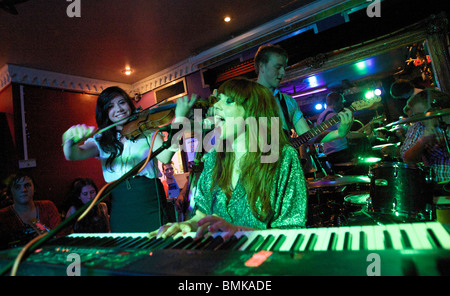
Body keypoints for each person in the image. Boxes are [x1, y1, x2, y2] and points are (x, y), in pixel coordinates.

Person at [149, 77, 308, 240]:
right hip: (219, 257)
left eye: (229, 101)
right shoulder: (212, 158)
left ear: (252, 111)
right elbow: (201, 215)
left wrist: (239, 231)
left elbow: (292, 230)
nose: (216, 106)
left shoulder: (283, 157)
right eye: (218, 100)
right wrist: (187, 225)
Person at [62, 86, 197, 232]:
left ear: (129, 104)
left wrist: (181, 120)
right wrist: (70, 140)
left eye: (122, 102)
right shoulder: (102, 140)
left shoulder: (147, 130)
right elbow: (73, 155)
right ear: (105, 112)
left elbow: (165, 157)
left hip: (150, 204)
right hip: (121, 209)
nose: (119, 109)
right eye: (111, 106)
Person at [254, 44, 353, 141]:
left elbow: (307, 137)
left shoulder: (288, 102)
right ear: (262, 66)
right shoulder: (243, 99)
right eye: (277, 67)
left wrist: (339, 133)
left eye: (284, 68)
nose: (283, 73)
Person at [400, 89, 450, 184]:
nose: (420, 119)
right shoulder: (417, 127)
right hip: (439, 185)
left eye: (423, 115)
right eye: (417, 115)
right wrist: (423, 140)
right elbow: (407, 159)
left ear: (438, 109)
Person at [0, 172, 61, 249]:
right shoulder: (3, 215)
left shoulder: (47, 207)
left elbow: (60, 236)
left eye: (27, 185)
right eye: (17, 187)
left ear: (34, 188)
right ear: (10, 191)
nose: (23, 190)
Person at [316, 92, 354, 165]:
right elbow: (345, 133)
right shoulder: (333, 116)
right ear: (335, 102)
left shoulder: (321, 116)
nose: (342, 106)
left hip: (330, 153)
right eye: (341, 102)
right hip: (340, 151)